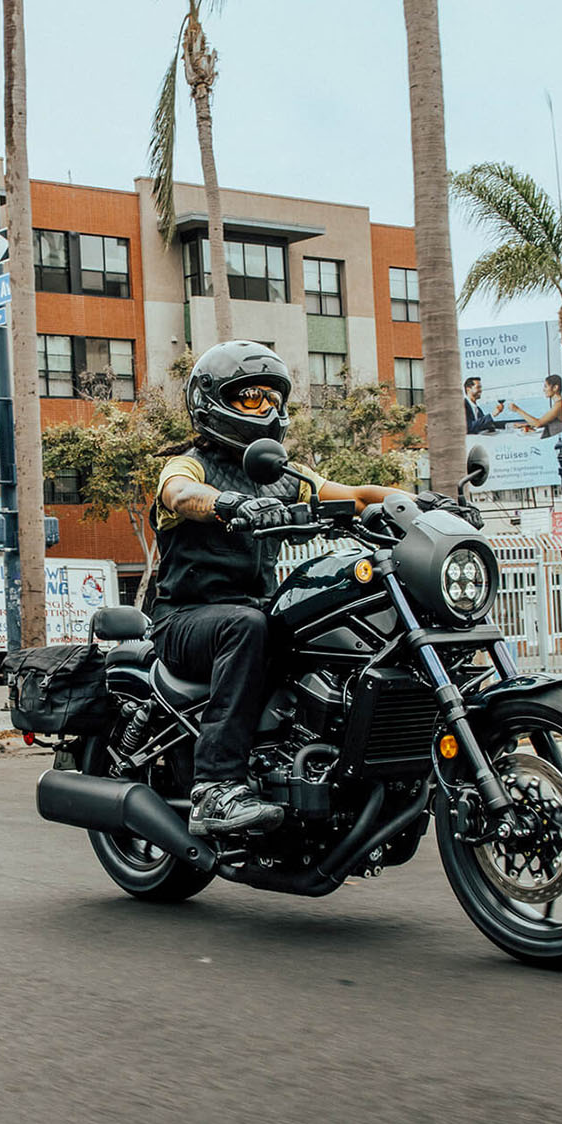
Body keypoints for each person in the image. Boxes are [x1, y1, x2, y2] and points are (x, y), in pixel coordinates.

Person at [153, 343, 396, 835]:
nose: (267, 410)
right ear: (212, 402)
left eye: (272, 399)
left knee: (325, 627)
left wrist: (425, 505)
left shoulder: (281, 475)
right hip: (185, 620)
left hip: (254, 615)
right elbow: (180, 494)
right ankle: (215, 787)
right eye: (250, 399)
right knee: (248, 625)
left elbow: (355, 495)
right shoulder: (190, 466)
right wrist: (229, 504)